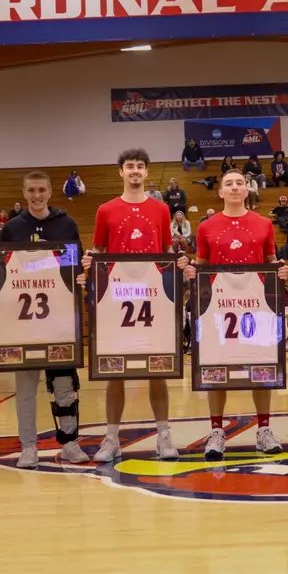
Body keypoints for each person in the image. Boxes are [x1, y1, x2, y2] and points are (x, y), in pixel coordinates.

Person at [86, 148, 186, 462]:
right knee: (114, 371)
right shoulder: (105, 209)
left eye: (140, 166)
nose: (135, 171)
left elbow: (166, 251)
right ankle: (112, 438)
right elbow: (98, 250)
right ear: (121, 172)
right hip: (118, 300)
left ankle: (164, 436)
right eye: (129, 166)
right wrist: (89, 262)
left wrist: (178, 266)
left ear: (146, 172)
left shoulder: (161, 209)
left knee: (158, 369)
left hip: (153, 299)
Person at [190, 168, 288, 459]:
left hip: (256, 307)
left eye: (239, 183)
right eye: (229, 184)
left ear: (247, 189)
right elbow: (200, 265)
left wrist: (281, 270)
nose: (234, 187)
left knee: (261, 367)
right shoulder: (206, 227)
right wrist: (188, 271)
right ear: (221, 191)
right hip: (218, 308)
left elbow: (271, 261)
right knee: (216, 368)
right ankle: (217, 431)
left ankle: (264, 430)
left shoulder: (264, 224)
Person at [0, 170, 88, 468]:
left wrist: (78, 276)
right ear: (24, 193)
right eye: (31, 190)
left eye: (41, 190)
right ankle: (28, 446)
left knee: (64, 386)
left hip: (59, 320)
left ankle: (70, 442)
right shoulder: (11, 229)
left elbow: (74, 266)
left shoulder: (66, 224)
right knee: (25, 388)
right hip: (23, 324)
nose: (36, 195)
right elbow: (1, 271)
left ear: (50, 192)